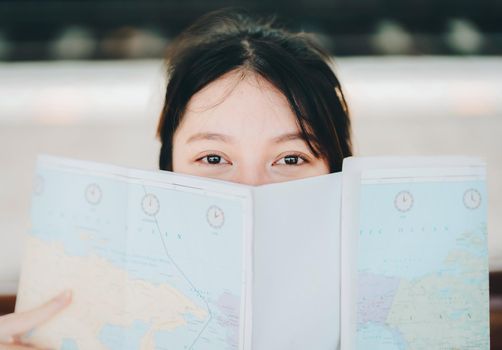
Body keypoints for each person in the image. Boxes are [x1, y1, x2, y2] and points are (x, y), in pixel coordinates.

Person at [0, 8, 352, 349]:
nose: (250, 191)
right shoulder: (112, 318)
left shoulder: (377, 318)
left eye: (291, 158)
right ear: (166, 170)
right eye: (213, 158)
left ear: (337, 171)